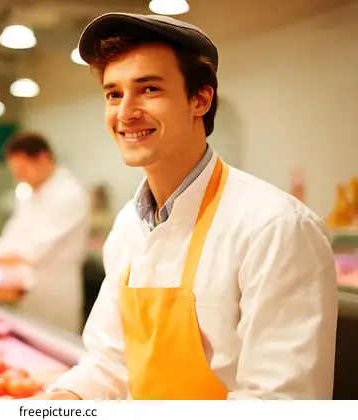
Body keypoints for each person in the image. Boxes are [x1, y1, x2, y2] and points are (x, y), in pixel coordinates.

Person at [27, 13, 338, 400]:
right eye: (113, 93)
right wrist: (49, 406)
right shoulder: (128, 226)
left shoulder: (275, 227)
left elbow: (280, 402)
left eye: (149, 89)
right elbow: (109, 363)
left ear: (200, 99)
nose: (125, 112)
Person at [0, 132, 90, 333]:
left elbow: (32, 252)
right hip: (25, 292)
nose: (19, 177)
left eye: (23, 169)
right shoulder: (30, 194)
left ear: (43, 158)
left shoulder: (68, 195)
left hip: (54, 294)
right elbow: (12, 237)